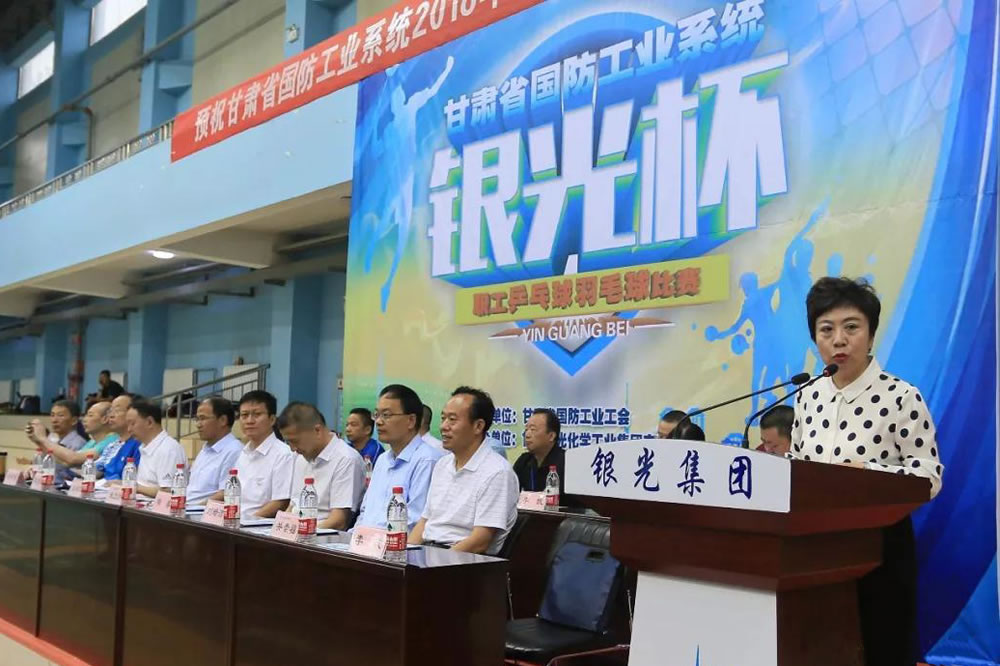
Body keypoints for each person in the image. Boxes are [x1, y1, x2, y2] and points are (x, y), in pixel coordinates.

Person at [788, 277, 943, 666]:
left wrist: (866, 474)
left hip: (880, 546)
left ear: (871, 335)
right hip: (815, 546)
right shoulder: (807, 396)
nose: (838, 340)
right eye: (826, 330)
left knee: (883, 648)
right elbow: (797, 463)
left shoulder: (901, 396)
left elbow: (929, 476)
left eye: (851, 327)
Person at [410, 386, 518, 555]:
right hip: (428, 552)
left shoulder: (497, 471)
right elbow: (424, 521)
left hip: (463, 560)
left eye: (452, 420)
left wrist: (436, 563)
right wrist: (405, 555)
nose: (444, 426)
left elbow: (480, 541)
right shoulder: (442, 464)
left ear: (478, 426)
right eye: (443, 418)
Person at [355, 385, 443, 531]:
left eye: (386, 415)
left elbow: (414, 521)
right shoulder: (382, 460)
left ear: (411, 420)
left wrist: (373, 539)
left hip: (397, 542)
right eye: (376, 414)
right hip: (366, 541)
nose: (378, 421)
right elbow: (365, 512)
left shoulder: (427, 460)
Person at [278, 402, 366, 530]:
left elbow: (339, 521)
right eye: (288, 442)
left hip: (322, 536)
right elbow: (292, 507)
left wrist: (301, 532)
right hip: (296, 533)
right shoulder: (300, 457)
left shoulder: (346, 460)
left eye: (295, 441)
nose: (292, 449)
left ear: (317, 431)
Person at [210, 390, 294, 519]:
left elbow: (280, 502)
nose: (249, 421)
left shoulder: (283, 455)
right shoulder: (243, 453)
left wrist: (246, 520)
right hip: (235, 520)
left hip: (257, 524)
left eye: (257, 414)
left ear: (272, 419)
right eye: (244, 415)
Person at [126, 399, 187, 499]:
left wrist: (133, 487)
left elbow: (169, 492)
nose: (129, 429)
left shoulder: (168, 449)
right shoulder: (145, 446)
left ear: (149, 422)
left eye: (132, 424)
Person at [187, 397, 242, 504]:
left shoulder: (234, 451)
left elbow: (225, 493)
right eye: (197, 419)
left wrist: (193, 507)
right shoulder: (205, 449)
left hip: (202, 510)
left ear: (223, 420)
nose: (198, 424)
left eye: (203, 418)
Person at [38, 401, 117, 472]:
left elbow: (73, 459)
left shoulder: (112, 441)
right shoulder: (92, 442)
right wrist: (39, 441)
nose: (84, 419)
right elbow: (66, 462)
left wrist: (42, 439)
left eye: (90, 415)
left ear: (105, 419)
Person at [21, 399, 88, 482]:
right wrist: (33, 469)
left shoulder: (79, 444)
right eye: (52, 415)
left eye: (60, 415)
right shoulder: (53, 440)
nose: (54, 420)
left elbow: (72, 475)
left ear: (74, 420)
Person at [513, 408, 565, 494]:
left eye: (533, 429)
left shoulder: (566, 463)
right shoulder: (524, 461)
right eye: (526, 429)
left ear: (551, 436)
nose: (527, 435)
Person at [94, 393, 142, 480]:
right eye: (110, 411)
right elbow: (95, 471)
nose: (111, 416)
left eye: (117, 410)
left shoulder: (139, 445)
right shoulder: (112, 445)